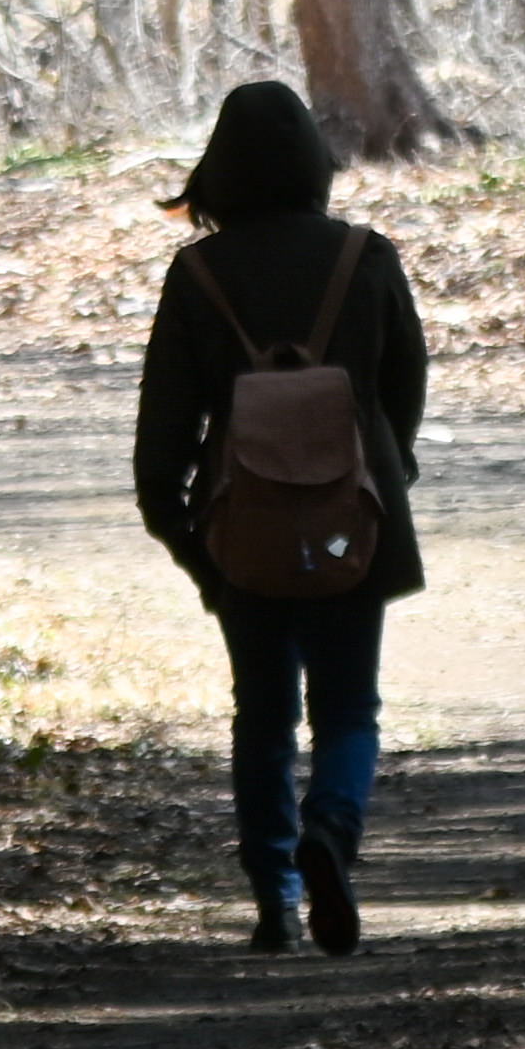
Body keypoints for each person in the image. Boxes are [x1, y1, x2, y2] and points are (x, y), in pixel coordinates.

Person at [133, 81, 427, 954]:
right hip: (352, 518)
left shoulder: (198, 276)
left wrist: (188, 539)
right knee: (348, 708)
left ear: (218, 170)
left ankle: (275, 900)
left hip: (242, 527)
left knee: (261, 716)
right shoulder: (365, 258)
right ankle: (331, 826)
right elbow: (405, 385)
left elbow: (164, 430)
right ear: (314, 164)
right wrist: (385, 471)